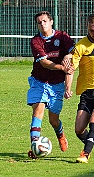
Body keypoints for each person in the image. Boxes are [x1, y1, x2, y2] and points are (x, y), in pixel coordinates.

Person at [27, 11, 75, 159]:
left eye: (45, 21)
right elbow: (44, 63)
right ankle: (35, 146)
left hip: (57, 84)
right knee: (37, 112)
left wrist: (68, 55)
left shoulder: (62, 36)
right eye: (39, 22)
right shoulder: (36, 41)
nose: (42, 24)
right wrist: (62, 67)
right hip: (39, 81)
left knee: (53, 120)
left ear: (51, 22)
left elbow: (74, 51)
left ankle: (60, 134)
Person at [63, 13, 94, 163]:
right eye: (91, 31)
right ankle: (90, 141)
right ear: (87, 28)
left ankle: (85, 153)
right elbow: (70, 69)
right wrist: (67, 88)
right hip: (87, 92)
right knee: (79, 129)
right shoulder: (81, 46)